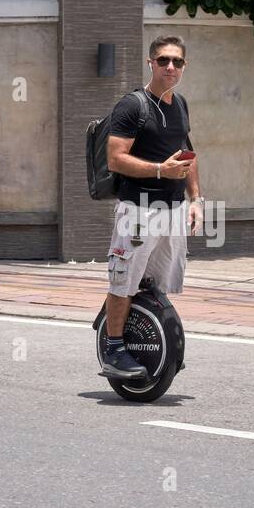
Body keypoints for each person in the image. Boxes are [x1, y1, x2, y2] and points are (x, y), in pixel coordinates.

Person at [98, 36, 202, 379]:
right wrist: (160, 170)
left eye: (177, 61)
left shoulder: (180, 104)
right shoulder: (133, 105)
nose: (170, 67)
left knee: (155, 284)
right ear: (150, 63)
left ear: (184, 66)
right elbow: (116, 159)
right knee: (124, 279)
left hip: (171, 210)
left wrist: (195, 199)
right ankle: (114, 348)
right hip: (138, 210)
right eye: (163, 60)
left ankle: (157, 343)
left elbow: (188, 153)